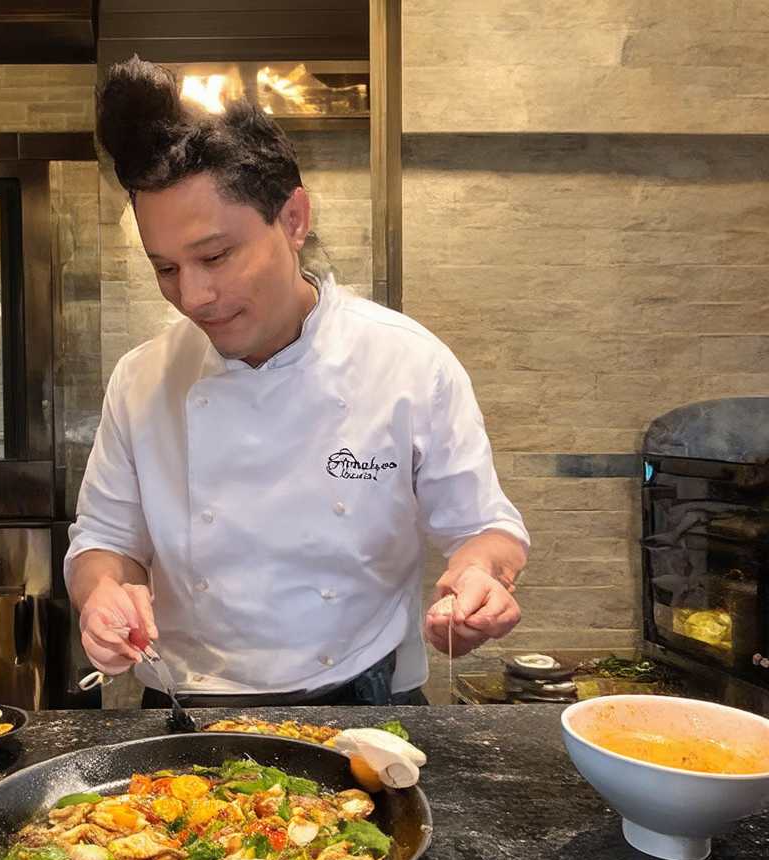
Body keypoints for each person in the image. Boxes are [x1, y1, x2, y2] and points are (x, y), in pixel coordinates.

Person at [67, 60, 529, 706]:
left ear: (293, 220)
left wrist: (479, 576)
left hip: (365, 696)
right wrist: (104, 592)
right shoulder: (142, 378)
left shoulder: (406, 362)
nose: (193, 296)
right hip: (186, 704)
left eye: (215, 256)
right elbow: (104, 542)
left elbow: (486, 527)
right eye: (165, 268)